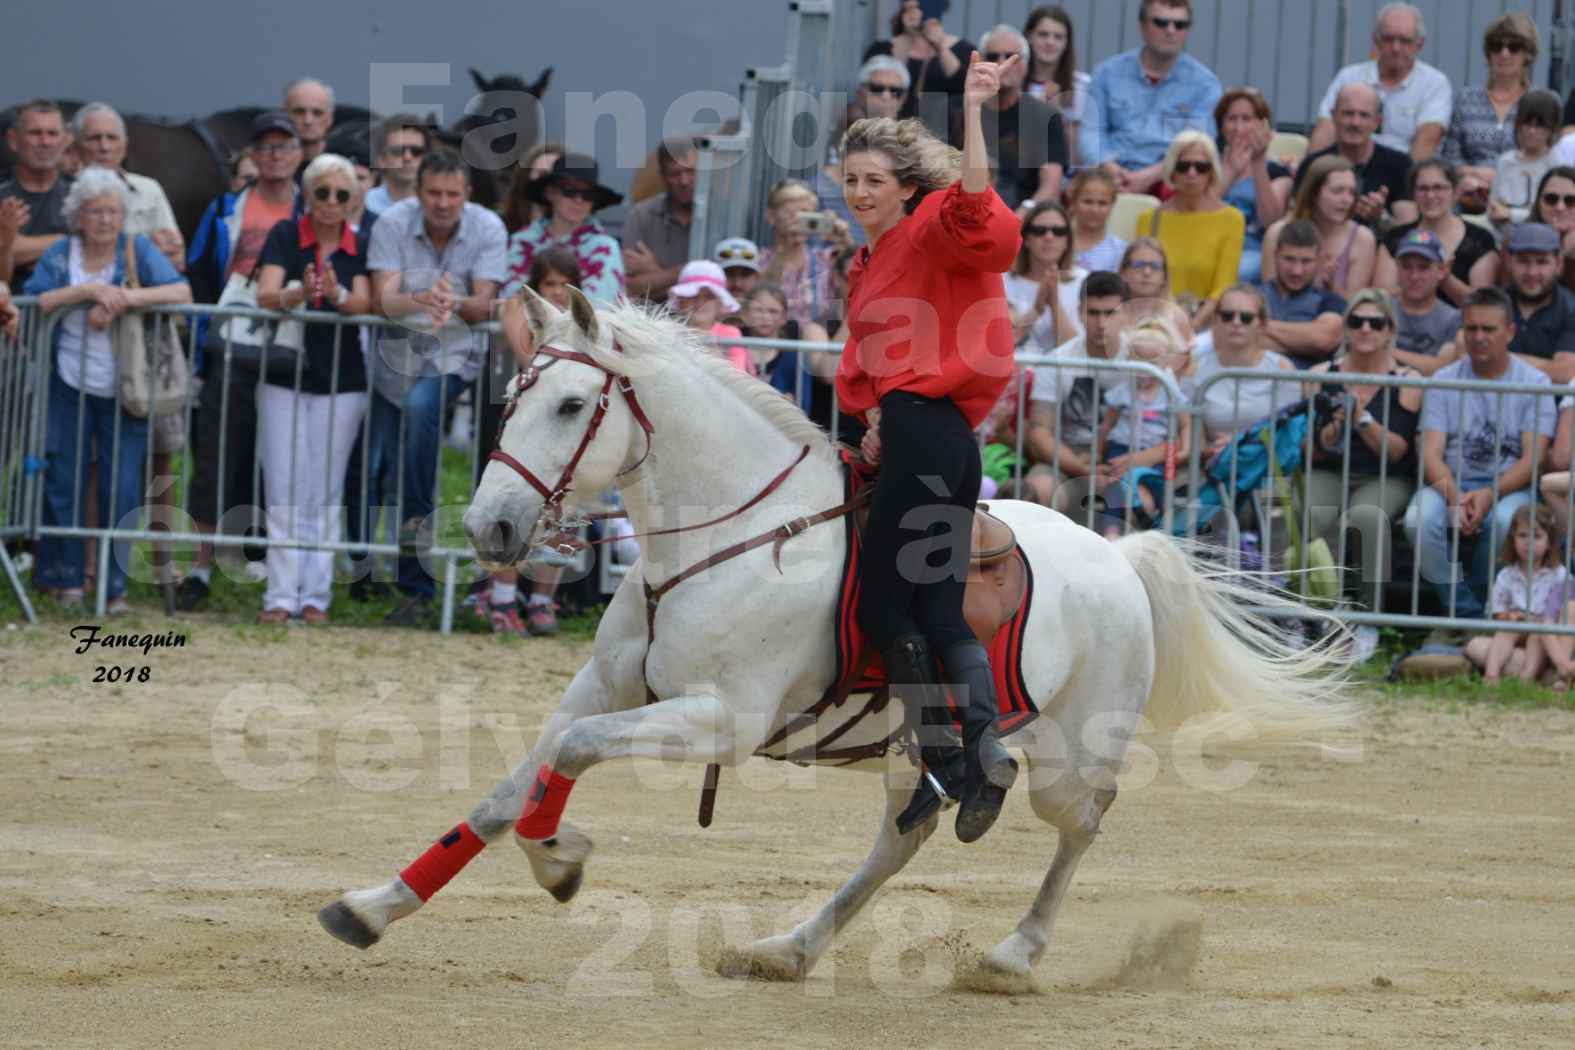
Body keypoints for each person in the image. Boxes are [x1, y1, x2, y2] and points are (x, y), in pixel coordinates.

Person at [836, 51, 1024, 842]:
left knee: (884, 604)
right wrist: (875, 416)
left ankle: (944, 760)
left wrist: (975, 110)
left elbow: (981, 214)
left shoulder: (932, 223)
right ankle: (978, 754)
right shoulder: (867, 261)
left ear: (907, 186)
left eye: (872, 178)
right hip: (936, 436)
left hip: (925, 433)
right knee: (939, 607)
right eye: (848, 180)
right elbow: (863, 372)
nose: (857, 192)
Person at [24, 167, 191, 612]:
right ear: (78, 215)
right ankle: (71, 581)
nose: (104, 220)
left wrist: (125, 299)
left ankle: (113, 588)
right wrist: (88, 291)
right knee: (65, 480)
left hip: (126, 387)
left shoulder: (136, 249)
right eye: (95, 211)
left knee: (120, 486)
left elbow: (181, 291)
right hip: (67, 383)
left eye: (113, 211)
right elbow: (37, 299)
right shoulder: (62, 253)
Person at [368, 149, 507, 627]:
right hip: (393, 363)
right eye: (433, 193)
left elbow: (486, 304)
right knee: (380, 471)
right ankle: (382, 578)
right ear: (418, 192)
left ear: (467, 195)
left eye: (452, 194)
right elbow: (382, 299)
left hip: (456, 358)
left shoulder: (488, 226)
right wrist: (419, 299)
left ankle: (425, 585)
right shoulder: (391, 220)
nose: (443, 203)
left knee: (419, 421)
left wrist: (452, 300)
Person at [176, 113, 304, 612]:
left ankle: (278, 569)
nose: (274, 155)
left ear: (298, 153)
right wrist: (202, 344)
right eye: (265, 146)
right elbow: (200, 272)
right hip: (227, 348)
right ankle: (200, 571)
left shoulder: (313, 209)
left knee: (282, 459)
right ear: (252, 154)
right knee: (213, 459)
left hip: (293, 352)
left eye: (283, 145)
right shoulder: (226, 208)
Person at [251, 153, 370, 625]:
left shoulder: (357, 241)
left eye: (342, 194)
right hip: (284, 373)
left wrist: (335, 294)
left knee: (324, 489)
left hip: (344, 378)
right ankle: (280, 596)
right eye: (323, 192)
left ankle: (315, 596)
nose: (331, 202)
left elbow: (364, 300)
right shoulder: (284, 234)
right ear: (308, 194)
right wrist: (301, 292)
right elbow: (265, 293)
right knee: (283, 487)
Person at [1404, 287, 1555, 621]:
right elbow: (1430, 453)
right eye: (1471, 328)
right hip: (1449, 482)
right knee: (1419, 519)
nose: (1478, 337)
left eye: (1489, 329)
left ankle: (1490, 607)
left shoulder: (1536, 382)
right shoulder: (1444, 379)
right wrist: (1454, 496)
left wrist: (1490, 493)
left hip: (1510, 487)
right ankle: (1463, 612)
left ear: (1510, 332)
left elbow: (1534, 459)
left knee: (1504, 521)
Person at [472, 247, 580, 637]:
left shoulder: (580, 321)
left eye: (564, 286)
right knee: (512, 510)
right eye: (549, 284)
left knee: (562, 515)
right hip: (520, 424)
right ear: (537, 284)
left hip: (563, 431)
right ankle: (501, 600)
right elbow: (529, 360)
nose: (557, 294)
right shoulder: (520, 308)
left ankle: (541, 603)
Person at [1304, 289, 1421, 616]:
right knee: (1307, 513)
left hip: (1384, 475)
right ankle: (1312, 615)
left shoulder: (1408, 380)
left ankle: (1367, 616)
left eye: (1375, 322)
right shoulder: (1318, 376)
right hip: (1330, 469)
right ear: (1346, 328)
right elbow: (1310, 450)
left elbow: (1397, 452)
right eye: (1357, 321)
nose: (1366, 329)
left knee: (1366, 517)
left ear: (1390, 330)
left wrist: (1363, 420)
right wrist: (1334, 428)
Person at [1082, 0, 1221, 194]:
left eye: (1180, 24)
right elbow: (1091, 132)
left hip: (1170, 180)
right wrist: (1111, 169)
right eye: (1161, 22)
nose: (1171, 30)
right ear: (1142, 26)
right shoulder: (1106, 73)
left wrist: (1148, 176)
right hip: (1108, 174)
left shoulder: (1205, 84)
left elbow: (1200, 144)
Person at [1024, 271, 1132, 511]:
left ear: (1125, 314)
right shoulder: (1056, 360)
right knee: (1038, 490)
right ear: (1080, 312)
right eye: (1093, 312)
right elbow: (1039, 432)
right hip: (1066, 455)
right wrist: (1080, 467)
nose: (1102, 323)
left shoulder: (1142, 361)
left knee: (1128, 501)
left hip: (1126, 455)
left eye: (1110, 313)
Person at [1309, 3, 1451, 163]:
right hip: (1348, 169)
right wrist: (1312, 172)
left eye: (1404, 41)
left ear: (1420, 44)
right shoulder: (1349, 77)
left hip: (1403, 173)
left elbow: (1427, 141)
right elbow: (1326, 129)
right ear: (1376, 40)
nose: (1396, 48)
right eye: (1388, 39)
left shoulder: (1434, 83)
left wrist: (1406, 183)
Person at [950, 25, 1068, 212]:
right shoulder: (955, 111)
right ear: (980, 63)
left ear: (1026, 65)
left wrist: (1017, 219)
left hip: (1021, 222)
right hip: (960, 214)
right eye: (993, 56)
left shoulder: (1045, 116)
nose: (1001, 63)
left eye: (1011, 57)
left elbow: (1050, 185)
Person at [1135, 131, 1242, 329]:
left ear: (1212, 172)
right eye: (1183, 166)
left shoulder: (1232, 219)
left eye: (1201, 167)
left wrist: (1192, 325)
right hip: (1157, 320)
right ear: (1172, 171)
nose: (1192, 173)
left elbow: (1223, 287)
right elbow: (1141, 277)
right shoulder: (1149, 219)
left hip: (1206, 325)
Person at [1097, 315, 1190, 533]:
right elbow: (1107, 426)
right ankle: (1111, 533)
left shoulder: (1169, 392)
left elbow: (1185, 422)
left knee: (1149, 491)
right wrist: (1097, 456)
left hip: (1153, 453)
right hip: (1121, 448)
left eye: (1152, 363)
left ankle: (1148, 532)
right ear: (1129, 358)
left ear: (1166, 363)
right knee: (1116, 487)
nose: (1144, 369)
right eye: (1138, 360)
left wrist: (1184, 448)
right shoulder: (1123, 390)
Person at [501, 154, 624, 306]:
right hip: (526, 327)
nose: (578, 200)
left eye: (588, 194)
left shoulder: (606, 247)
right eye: (569, 191)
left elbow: (599, 306)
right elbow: (511, 299)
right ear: (550, 193)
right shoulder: (522, 241)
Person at [1374, 160, 1500, 306]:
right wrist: (1424, 281)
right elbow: (1380, 298)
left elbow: (1483, 305)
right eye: (1423, 189)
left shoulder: (1480, 240)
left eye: (1439, 188)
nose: (1430, 195)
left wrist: (1446, 279)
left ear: (1456, 191)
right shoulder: (1395, 238)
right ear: (1413, 194)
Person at [72, 103, 182, 269]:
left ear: (124, 147)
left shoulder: (149, 189)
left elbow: (177, 260)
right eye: (94, 138)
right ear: (76, 147)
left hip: (144, 292)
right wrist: (147, 253)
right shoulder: (66, 192)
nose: (104, 147)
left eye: (112, 138)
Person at [1293, 84, 1416, 231]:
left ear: (1377, 122)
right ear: (1333, 116)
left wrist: (1381, 218)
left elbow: (1408, 233)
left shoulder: (1400, 165)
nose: (1355, 123)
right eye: (1348, 113)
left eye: (1364, 115)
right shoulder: (1313, 165)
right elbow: (1297, 222)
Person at [1445, 13, 1542, 198]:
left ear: (1528, 54)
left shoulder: (1541, 101)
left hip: (1524, 198)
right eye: (1496, 46)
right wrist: (1474, 175)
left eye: (1514, 47)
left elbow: (1547, 159)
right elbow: (1450, 157)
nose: (1504, 53)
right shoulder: (1466, 99)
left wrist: (1500, 177)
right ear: (1488, 53)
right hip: (1470, 197)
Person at [739, 283, 849, 439]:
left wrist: (790, 405)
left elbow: (804, 405)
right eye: (759, 310)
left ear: (784, 318)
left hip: (778, 433)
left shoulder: (794, 357)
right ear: (745, 314)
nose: (765, 317)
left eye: (773, 311)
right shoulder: (734, 347)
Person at [1193, 284, 1296, 448]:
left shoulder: (1282, 368)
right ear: (1215, 321)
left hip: (1265, 464)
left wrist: (1241, 443)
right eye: (1227, 316)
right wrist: (1209, 453)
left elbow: (1288, 432)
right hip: (1212, 465)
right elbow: (1190, 430)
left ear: (1261, 325)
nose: (1236, 322)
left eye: (1246, 318)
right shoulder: (1196, 368)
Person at [1264, 156, 1375, 302]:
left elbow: (1354, 307)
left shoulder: (1362, 238)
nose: (1346, 200)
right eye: (1337, 191)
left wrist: (1332, 286)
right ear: (1314, 193)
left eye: (1351, 193)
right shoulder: (1277, 233)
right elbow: (1268, 298)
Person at [1480, 504, 1566, 686]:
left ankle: (1525, 680)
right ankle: (1491, 676)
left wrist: (1541, 622)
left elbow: (1562, 612)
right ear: (1513, 539)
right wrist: (1508, 616)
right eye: (1522, 535)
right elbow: (1496, 611)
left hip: (1545, 630)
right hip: (1517, 626)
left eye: (1537, 536)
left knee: (1539, 634)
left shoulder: (1559, 574)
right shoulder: (1506, 575)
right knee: (1506, 630)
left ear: (1550, 542)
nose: (1529, 542)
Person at [1214, 88, 1292, 282]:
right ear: (1221, 126)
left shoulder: (1277, 171)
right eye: (1231, 119)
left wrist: (1257, 162)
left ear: (1262, 125)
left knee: (1242, 270)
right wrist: (1230, 172)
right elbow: (1197, 210)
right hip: (1210, 243)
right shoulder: (1203, 164)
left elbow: (1271, 220)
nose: (1238, 128)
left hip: (1253, 251)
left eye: (1246, 119)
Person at [1252, 220, 1347, 368]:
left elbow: (1324, 339)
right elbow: (1234, 338)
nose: (1297, 271)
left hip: (1304, 388)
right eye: (1289, 259)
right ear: (1276, 256)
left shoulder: (1330, 301)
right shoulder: (1252, 297)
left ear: (1319, 260)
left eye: (1306, 261)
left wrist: (1257, 324)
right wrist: (1304, 345)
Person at [0, 99, 73, 286]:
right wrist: (67, 242)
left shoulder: (80, 194)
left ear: (65, 140)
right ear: (13, 140)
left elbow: (97, 251)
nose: (44, 142)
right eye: (35, 133)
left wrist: (16, 245)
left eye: (52, 134)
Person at [759, 179, 850, 327]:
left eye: (805, 214)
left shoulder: (826, 259)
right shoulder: (760, 259)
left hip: (819, 343)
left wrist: (845, 241)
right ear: (771, 216)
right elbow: (761, 295)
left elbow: (861, 283)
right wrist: (784, 250)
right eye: (791, 213)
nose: (798, 220)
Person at [861, 0, 973, 113]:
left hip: (944, 126)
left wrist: (940, 47)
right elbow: (886, 82)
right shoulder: (881, 49)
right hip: (895, 125)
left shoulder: (964, 50)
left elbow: (962, 87)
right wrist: (909, 36)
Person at [623, 137, 696, 301]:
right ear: (662, 176)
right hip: (650, 321)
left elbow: (724, 286)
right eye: (675, 173)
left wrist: (655, 271)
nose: (684, 181)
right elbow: (633, 287)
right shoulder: (642, 215)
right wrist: (685, 273)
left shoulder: (719, 216)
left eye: (691, 171)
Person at [1004, 201, 1084, 352]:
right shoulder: (1003, 281)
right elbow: (1003, 340)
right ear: (1026, 239)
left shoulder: (1083, 281)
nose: (1049, 237)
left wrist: (1054, 304)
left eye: (1059, 231)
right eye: (1039, 230)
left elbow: (1077, 352)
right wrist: (1037, 309)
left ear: (1068, 240)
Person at [1502, 222, 1575, 383]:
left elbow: (1567, 372)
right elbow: (1464, 352)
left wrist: (1498, 361)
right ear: (1508, 262)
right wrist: (1547, 366)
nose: (1532, 272)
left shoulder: (1571, 308)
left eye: (1542, 262)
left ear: (1559, 264)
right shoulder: (1492, 302)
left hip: (1553, 407)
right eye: (1523, 261)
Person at [1389, 229, 1461, 375]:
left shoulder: (1453, 319)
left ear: (1441, 271)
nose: (1414, 276)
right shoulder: (1381, 309)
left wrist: (1386, 352)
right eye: (1406, 266)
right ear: (1397, 268)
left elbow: (1441, 368)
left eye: (1424, 268)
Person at [1022, 5, 1089, 156]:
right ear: (1029, 37)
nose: (1050, 42)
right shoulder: (1013, 82)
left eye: (1058, 37)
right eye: (1043, 34)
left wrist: (1056, 113)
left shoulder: (1081, 86)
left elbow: (1078, 155)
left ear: (1066, 43)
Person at [1490, 91, 1561, 227]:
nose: (1532, 131)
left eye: (1540, 125)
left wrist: (1511, 214)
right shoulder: (1506, 161)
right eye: (1527, 124)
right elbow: (1493, 207)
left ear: (1552, 128)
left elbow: (1553, 213)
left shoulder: (1555, 165)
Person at [666, 260, 751, 373]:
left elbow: (739, 376)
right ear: (681, 301)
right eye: (692, 295)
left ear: (720, 303)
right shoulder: (668, 331)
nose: (700, 303)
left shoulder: (731, 333)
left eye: (709, 297)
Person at [364, 115, 431, 216]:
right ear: (381, 159)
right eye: (398, 151)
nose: (408, 157)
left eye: (417, 151)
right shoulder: (363, 204)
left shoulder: (439, 205)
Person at [499, 142, 567, 235]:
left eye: (556, 177)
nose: (549, 183)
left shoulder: (578, 233)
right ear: (526, 177)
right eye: (543, 174)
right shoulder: (498, 225)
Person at [1527, 167, 1575, 295]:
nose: (1560, 207)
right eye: (1551, 199)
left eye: (1570, 201)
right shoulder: (1516, 240)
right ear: (1539, 201)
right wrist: (1562, 253)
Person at [1066, 168, 1124, 272]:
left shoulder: (1120, 251)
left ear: (1112, 205)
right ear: (1073, 202)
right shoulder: (1059, 242)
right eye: (1087, 202)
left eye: (1102, 203)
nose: (1094, 210)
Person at [284, 78, 335, 165]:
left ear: (330, 119)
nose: (308, 121)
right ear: (284, 115)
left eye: (317, 113)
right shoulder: (266, 166)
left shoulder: (342, 165)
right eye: (299, 112)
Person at [1118, 237, 1170, 304]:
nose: (1147, 272)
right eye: (1139, 264)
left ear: (1164, 276)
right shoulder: (1107, 311)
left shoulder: (1177, 314)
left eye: (1155, 265)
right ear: (1123, 273)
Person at [714, 236, 762, 301]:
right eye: (729, 274)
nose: (737, 284)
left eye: (745, 275)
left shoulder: (772, 309)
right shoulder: (701, 310)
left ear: (757, 278)